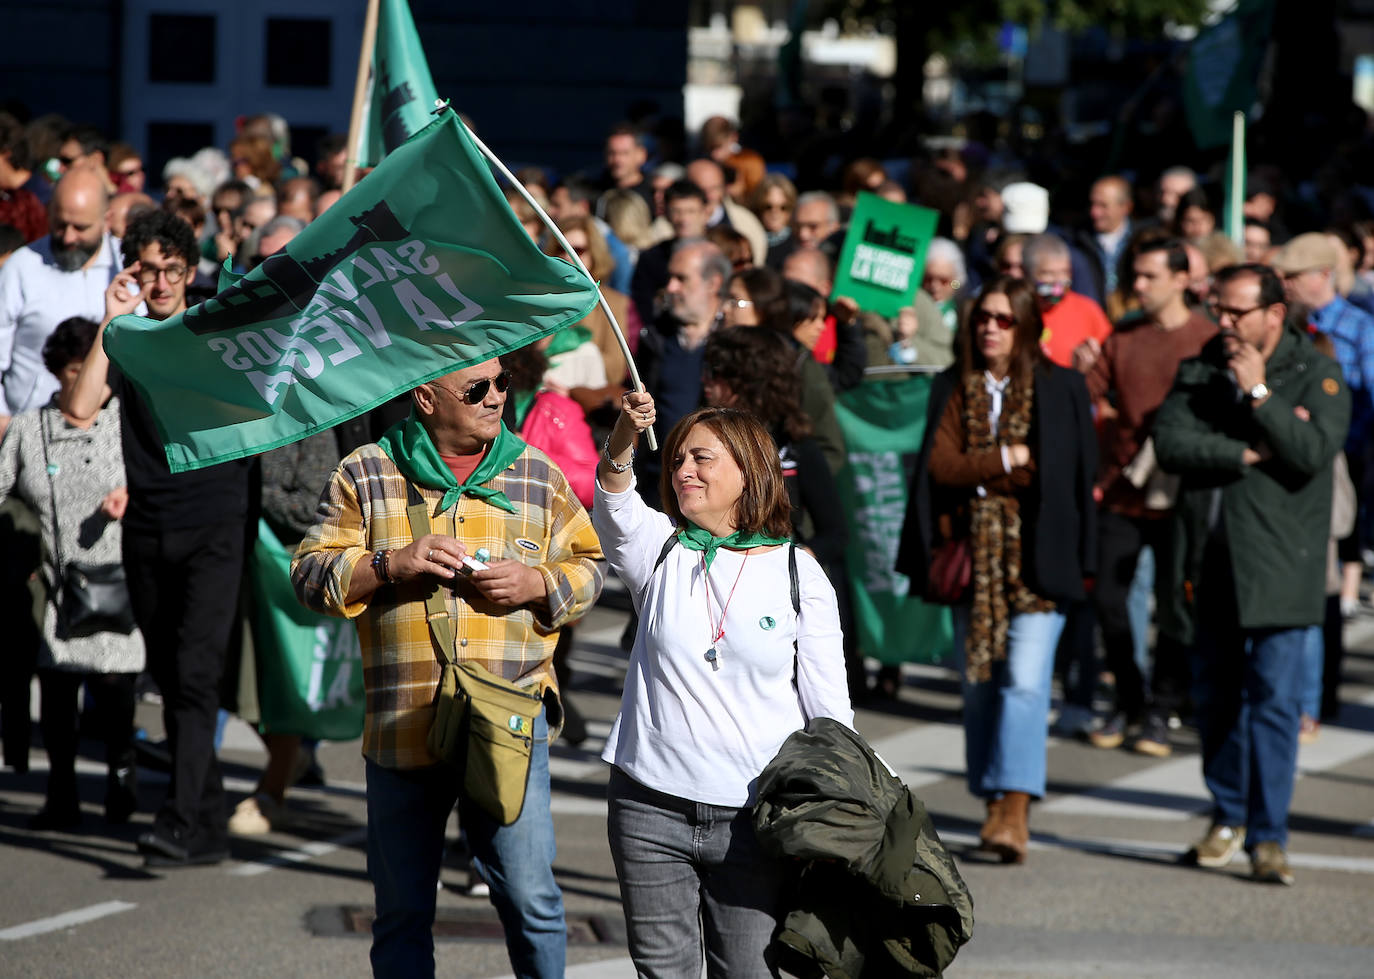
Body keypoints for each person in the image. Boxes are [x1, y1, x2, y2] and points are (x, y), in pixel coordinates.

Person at [291, 356, 604, 977]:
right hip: (403, 725)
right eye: (476, 388)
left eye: (501, 384)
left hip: (508, 727)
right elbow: (307, 574)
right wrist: (391, 564)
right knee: (403, 911)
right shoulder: (369, 471)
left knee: (531, 900)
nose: (495, 398)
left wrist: (538, 583)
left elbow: (590, 567)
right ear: (427, 399)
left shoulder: (536, 474)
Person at [595, 391, 853, 977]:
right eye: (679, 458)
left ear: (749, 470)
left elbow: (830, 718)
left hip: (754, 819)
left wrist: (842, 814)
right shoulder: (657, 549)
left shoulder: (797, 571)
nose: (683, 469)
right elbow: (613, 502)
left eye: (702, 459)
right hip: (647, 805)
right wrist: (621, 439)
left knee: (749, 971)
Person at [64, 210, 255, 868]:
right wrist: (111, 320)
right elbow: (82, 407)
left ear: (191, 271)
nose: (163, 282)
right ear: (133, 271)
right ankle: (205, 816)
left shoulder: (216, 320)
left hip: (215, 519)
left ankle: (177, 819)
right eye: (149, 271)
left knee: (197, 675)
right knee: (172, 678)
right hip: (148, 522)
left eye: (174, 270)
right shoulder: (129, 332)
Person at [1154, 263, 1349, 886]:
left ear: (1274, 311)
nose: (1226, 324)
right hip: (1210, 566)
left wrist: (1262, 396)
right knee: (1213, 700)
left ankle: (1268, 835)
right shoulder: (1202, 365)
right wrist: (1239, 452)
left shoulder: (1317, 372)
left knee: (1272, 704)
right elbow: (1170, 442)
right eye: (1221, 310)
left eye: (1238, 312)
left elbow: (1312, 455)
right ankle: (1227, 814)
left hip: (1282, 570)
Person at [896, 276, 1097, 864]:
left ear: (1027, 326)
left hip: (1039, 563)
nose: (989, 327)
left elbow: (1066, 477)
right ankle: (992, 793)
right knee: (979, 684)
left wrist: (980, 473)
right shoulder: (951, 386)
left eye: (1004, 319)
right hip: (970, 562)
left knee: (1026, 681)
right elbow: (941, 467)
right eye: (982, 317)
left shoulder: (1063, 388)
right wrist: (1007, 460)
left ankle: (1014, 805)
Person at [0, 316, 143, 828]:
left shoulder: (129, 422)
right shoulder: (29, 429)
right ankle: (60, 795)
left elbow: (165, 486)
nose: (82, 383)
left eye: (93, 371)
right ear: (57, 372)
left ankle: (121, 786)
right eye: (71, 371)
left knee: (115, 694)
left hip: (123, 582)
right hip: (57, 586)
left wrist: (134, 500)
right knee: (58, 695)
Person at [1081, 238, 1217, 756]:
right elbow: (1086, 393)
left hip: (1183, 491)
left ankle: (1162, 708)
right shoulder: (1124, 336)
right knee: (1109, 600)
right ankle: (1132, 700)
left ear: (1181, 278)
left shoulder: (1208, 338)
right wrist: (1082, 372)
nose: (1137, 286)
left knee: (1177, 605)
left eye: (1149, 276)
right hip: (1123, 488)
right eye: (1134, 275)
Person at [1272, 233, 1374, 618]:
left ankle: (1338, 603)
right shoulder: (1287, 324)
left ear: (1323, 275)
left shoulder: (1360, 326)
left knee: (1338, 536)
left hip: (1345, 449)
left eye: (1294, 275)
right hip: (1289, 446)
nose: (1287, 283)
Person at [1025, 234, 1112, 369]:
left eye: (1065, 272)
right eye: (1048, 273)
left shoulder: (1088, 309)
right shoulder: (1020, 309)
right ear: (1028, 275)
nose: (1058, 280)